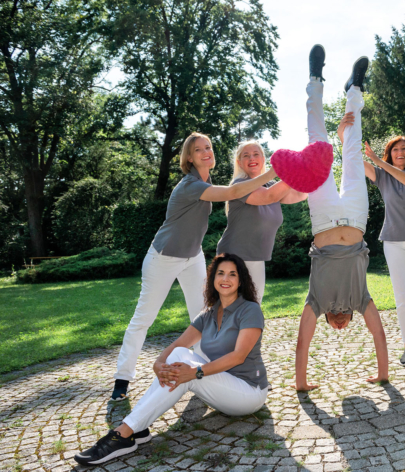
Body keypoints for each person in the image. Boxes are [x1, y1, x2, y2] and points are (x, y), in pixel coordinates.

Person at [112, 133, 277, 401]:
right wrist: (272, 171)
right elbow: (235, 192)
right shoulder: (190, 184)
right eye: (198, 149)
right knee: (144, 318)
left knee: (204, 315)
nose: (206, 152)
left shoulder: (206, 179)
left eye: (208, 147)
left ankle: (205, 373)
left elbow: (236, 191)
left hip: (193, 257)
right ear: (189, 157)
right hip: (163, 257)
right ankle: (122, 378)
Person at [76, 253, 268, 466]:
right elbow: (177, 346)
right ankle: (136, 429)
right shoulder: (208, 314)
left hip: (248, 392)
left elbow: (238, 356)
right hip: (220, 387)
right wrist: (158, 364)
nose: (226, 279)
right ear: (213, 279)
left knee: (187, 375)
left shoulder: (250, 310)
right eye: (220, 273)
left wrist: (195, 372)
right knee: (177, 358)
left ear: (241, 280)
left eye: (232, 274)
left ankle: (124, 433)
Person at [295, 45, 388, 391]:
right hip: (356, 218)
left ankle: (315, 79)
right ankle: (355, 90)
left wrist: (301, 384)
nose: (338, 324)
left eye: (333, 327)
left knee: (317, 144)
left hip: (322, 220)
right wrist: (383, 374)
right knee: (352, 148)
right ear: (350, 320)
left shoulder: (315, 303)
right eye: (343, 327)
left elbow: (303, 343)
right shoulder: (361, 300)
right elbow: (378, 333)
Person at [336, 123, 405, 366]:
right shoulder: (381, 176)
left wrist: (380, 162)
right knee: (402, 295)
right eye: (396, 149)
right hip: (393, 240)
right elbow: (352, 159)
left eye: (404, 149)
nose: (401, 152)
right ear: (390, 153)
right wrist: (343, 136)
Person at [216, 140, 308, 304]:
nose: (252, 158)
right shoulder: (240, 184)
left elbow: (299, 195)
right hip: (233, 257)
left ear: (264, 159)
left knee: (252, 308)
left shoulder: (271, 185)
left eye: (256, 154)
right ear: (239, 162)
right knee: (230, 309)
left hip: (256, 257)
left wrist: (308, 169)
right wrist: (292, 170)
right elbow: (268, 196)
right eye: (246, 155)